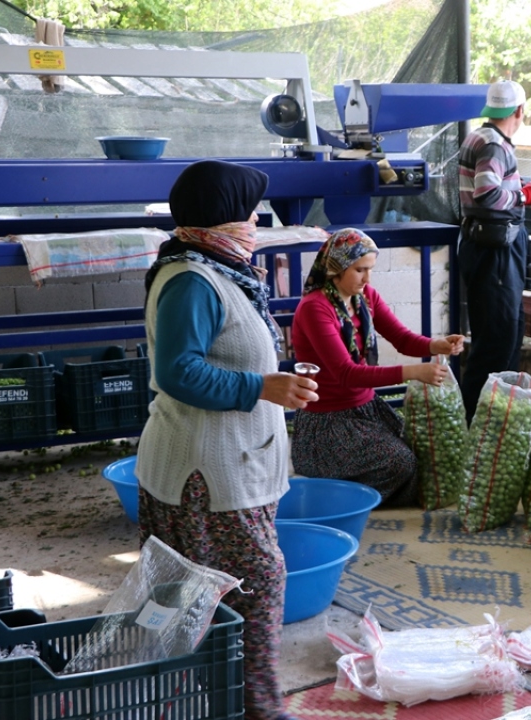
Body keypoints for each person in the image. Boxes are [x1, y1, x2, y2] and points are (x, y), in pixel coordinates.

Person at [137, 160, 319, 720]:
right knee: (255, 586)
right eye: (249, 211)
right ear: (223, 216)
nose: (256, 221)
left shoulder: (219, 269)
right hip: (204, 474)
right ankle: (257, 709)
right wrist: (263, 386)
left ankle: (216, 703)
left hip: (230, 466)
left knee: (207, 599)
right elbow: (178, 372)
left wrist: (269, 384)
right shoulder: (192, 280)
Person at [290, 228, 465, 505]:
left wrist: (437, 345)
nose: (367, 278)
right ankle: (333, 496)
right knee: (400, 463)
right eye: (360, 270)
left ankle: (349, 489)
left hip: (367, 410)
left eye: (370, 269)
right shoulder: (315, 308)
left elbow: (402, 339)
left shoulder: (365, 297)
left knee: (424, 451)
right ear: (337, 269)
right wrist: (413, 372)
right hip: (328, 423)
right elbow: (347, 374)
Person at [458, 79, 531, 420]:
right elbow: (487, 192)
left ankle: (486, 422)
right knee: (497, 344)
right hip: (495, 252)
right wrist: (522, 195)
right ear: (519, 111)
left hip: (484, 246)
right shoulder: (494, 145)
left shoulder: (478, 136)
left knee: (499, 337)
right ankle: (480, 424)